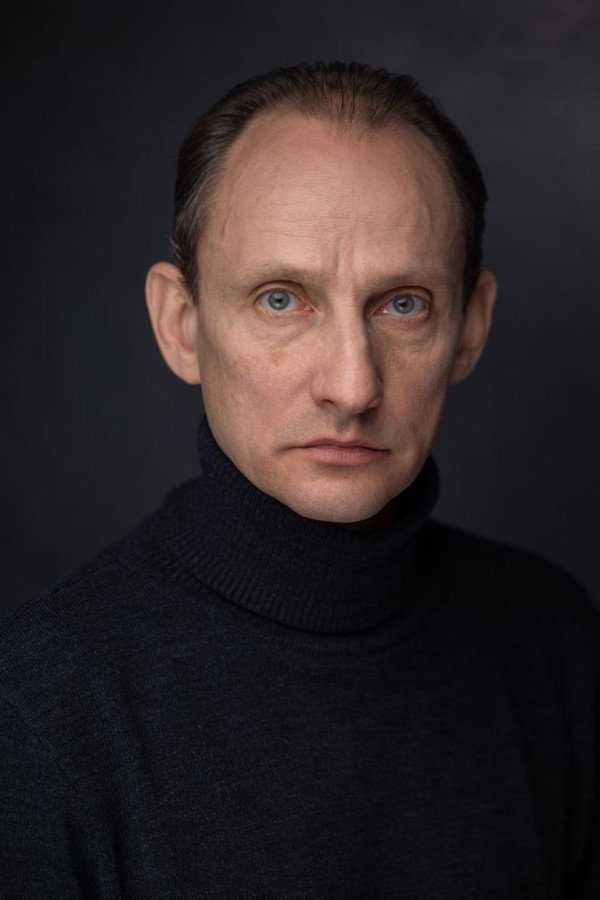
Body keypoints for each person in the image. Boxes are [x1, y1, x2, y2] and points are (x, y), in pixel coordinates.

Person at [0, 60, 598, 899]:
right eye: (282, 299)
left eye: (403, 303)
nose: (352, 388)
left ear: (469, 328)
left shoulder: (556, 647)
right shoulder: (36, 708)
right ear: (182, 325)